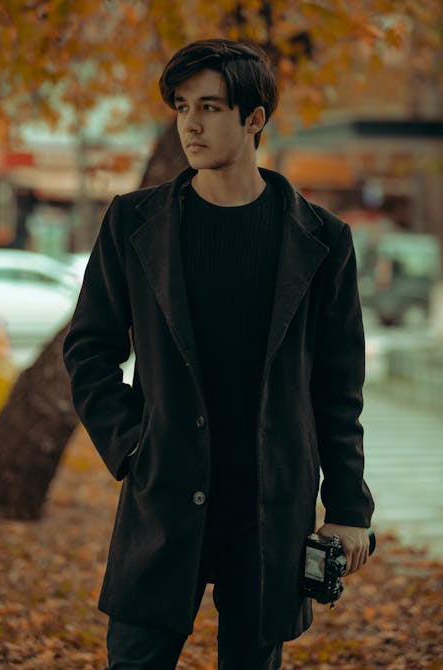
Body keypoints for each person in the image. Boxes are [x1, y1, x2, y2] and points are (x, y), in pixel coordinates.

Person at [63, 38, 374, 670]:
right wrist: (132, 443)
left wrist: (348, 507)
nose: (191, 125)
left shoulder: (322, 240)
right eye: (182, 107)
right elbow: (89, 349)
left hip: (270, 506)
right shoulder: (133, 223)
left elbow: (338, 387)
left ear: (254, 118)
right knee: (136, 659)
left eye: (210, 106)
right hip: (165, 491)